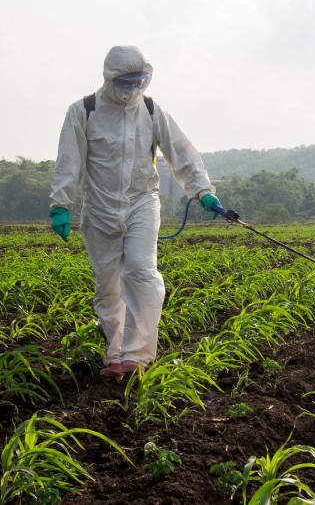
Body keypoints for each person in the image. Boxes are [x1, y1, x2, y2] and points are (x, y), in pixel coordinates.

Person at [49, 45, 221, 380]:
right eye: (127, 81)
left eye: (139, 80)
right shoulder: (84, 111)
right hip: (99, 208)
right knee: (108, 287)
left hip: (142, 202)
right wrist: (60, 205)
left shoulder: (152, 111)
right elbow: (69, 161)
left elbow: (181, 152)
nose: (134, 87)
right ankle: (115, 355)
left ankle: (137, 355)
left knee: (141, 272)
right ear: (110, 78)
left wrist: (202, 190)